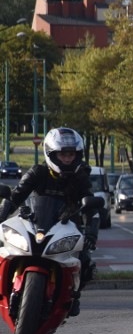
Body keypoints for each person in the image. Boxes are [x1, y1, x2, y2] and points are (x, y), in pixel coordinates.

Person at [0, 127, 99, 316]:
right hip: (35, 222)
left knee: (85, 261)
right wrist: (3, 212)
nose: (68, 158)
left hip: (67, 226)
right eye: (63, 154)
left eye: (71, 154)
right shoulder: (38, 172)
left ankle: (73, 296)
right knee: (6, 248)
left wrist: (91, 235)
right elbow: (16, 196)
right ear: (51, 153)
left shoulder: (80, 178)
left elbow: (91, 207)